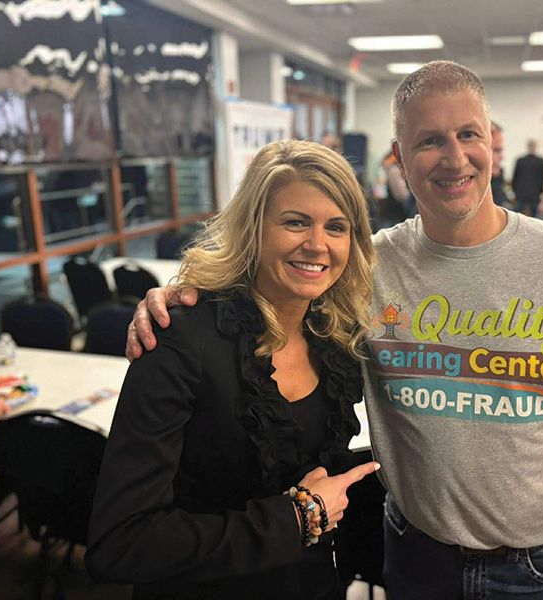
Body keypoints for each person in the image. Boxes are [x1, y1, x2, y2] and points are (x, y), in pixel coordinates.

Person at [129, 62, 543, 599]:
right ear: (399, 157)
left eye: (468, 134)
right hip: (414, 553)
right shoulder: (362, 268)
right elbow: (268, 289)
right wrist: (183, 296)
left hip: (537, 564)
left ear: (491, 142)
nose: (454, 158)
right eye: (429, 141)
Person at [85, 140, 380, 599]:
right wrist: (297, 518)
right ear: (253, 228)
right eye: (295, 222)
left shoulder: (335, 338)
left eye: (336, 227)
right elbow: (120, 543)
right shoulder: (181, 337)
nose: (317, 245)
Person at [511, 139, 543, 217]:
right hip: (535, 193)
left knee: (517, 215)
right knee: (535, 217)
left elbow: (515, 177)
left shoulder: (520, 160)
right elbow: (542, 178)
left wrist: (514, 191)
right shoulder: (540, 161)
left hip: (520, 192)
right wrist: (541, 191)